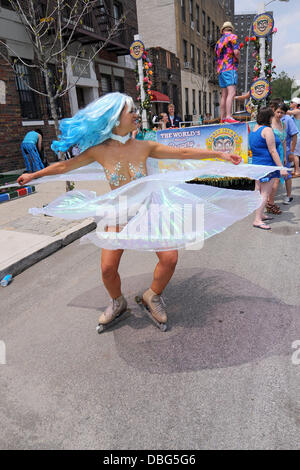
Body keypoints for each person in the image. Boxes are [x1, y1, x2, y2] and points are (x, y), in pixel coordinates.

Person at [17, 93, 265, 332]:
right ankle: (117, 302)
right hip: (119, 212)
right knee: (107, 269)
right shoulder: (99, 151)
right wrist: (33, 175)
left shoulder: (144, 147)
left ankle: (152, 295)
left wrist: (218, 153)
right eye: (132, 111)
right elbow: (63, 166)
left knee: (169, 259)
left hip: (149, 208)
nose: (137, 114)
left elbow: (184, 153)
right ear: (115, 118)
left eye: (136, 110)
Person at [249, 107, 288, 230]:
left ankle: (260, 215)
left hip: (257, 164)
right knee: (264, 194)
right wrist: (281, 167)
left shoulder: (254, 129)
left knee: (259, 192)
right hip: (267, 165)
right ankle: (257, 219)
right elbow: (273, 150)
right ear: (269, 117)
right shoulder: (267, 130)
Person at [215, 21, 240, 124]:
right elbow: (236, 52)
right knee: (232, 92)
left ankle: (222, 118)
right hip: (230, 67)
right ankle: (229, 116)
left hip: (221, 70)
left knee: (224, 94)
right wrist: (238, 59)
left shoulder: (218, 42)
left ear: (223, 30)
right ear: (231, 29)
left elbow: (216, 56)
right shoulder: (233, 37)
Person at [266, 103, 287, 215]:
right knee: (274, 179)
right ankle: (270, 203)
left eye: (282, 112)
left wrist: (284, 156)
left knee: (276, 180)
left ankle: (269, 202)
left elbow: (284, 142)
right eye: (278, 112)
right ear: (274, 111)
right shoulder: (269, 124)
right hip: (272, 152)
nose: (279, 114)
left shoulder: (284, 125)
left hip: (281, 152)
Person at [280, 103, 298, 204]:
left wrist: (291, 152)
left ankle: (288, 195)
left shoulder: (288, 119)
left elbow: (294, 136)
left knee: (287, 174)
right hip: (276, 151)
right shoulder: (272, 118)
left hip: (286, 151)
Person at [287, 97, 300, 176]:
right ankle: (296, 169)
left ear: (296, 104)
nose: (290, 104)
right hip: (297, 136)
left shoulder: (298, 111)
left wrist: (280, 108)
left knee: (295, 154)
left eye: (291, 102)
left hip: (298, 136)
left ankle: (297, 170)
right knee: (296, 153)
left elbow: (288, 112)